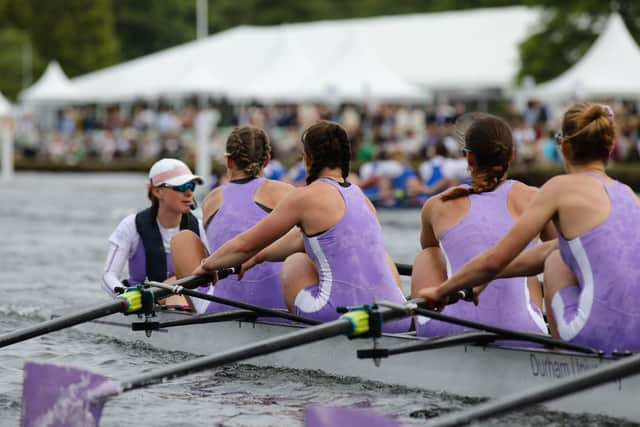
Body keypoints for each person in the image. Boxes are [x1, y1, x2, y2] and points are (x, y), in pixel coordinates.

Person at [420, 103, 640, 353]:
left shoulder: (559, 187)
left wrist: (442, 291)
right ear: (611, 148)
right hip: (636, 341)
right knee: (558, 250)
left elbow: (495, 261)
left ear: (564, 147)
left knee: (557, 259)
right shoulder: (631, 196)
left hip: (593, 338)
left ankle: (558, 358)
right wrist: (480, 280)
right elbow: (545, 250)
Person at [193, 121, 410, 332]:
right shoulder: (363, 198)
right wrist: (259, 257)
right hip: (395, 314)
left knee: (296, 261)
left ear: (307, 158)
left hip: (341, 317)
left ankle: (299, 335)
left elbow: (244, 246)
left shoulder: (304, 197)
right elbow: (298, 239)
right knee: (382, 256)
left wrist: (207, 265)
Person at [412, 114, 554, 340]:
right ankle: (555, 339)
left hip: (448, 330)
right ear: (512, 155)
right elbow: (559, 254)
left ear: (468, 159)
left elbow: (431, 253)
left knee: (428, 255)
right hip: (522, 332)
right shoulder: (537, 198)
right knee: (540, 263)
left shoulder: (436, 205)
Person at [171, 125, 294, 314]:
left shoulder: (212, 199)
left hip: (222, 309)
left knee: (182, 239)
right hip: (282, 306)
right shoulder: (287, 193)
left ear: (228, 161)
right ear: (267, 161)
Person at [102, 158, 206, 308]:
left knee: (178, 287)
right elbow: (108, 275)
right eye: (182, 187)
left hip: (186, 303)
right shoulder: (131, 225)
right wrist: (125, 295)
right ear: (158, 191)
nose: (189, 193)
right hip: (144, 303)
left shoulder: (198, 227)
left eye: (192, 186)